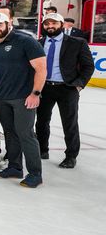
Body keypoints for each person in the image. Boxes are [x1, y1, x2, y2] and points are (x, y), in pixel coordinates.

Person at [0, 13, 46, 188]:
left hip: (24, 98)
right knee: (10, 133)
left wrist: (35, 94)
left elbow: (41, 69)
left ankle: (35, 174)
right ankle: (15, 167)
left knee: (26, 134)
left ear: (9, 24)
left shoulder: (26, 41)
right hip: (2, 98)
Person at [36, 13, 94, 169]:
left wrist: (79, 84)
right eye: (47, 23)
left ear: (61, 24)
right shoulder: (38, 43)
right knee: (41, 121)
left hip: (67, 88)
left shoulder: (77, 43)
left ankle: (71, 156)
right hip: (44, 87)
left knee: (70, 123)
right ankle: (42, 149)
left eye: (54, 23)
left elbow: (88, 66)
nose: (50, 26)